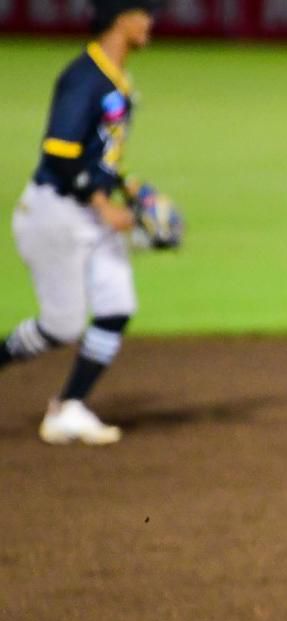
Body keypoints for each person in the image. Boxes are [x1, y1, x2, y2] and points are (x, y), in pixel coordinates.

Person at [1, 0, 161, 445]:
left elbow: (99, 153)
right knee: (61, 327)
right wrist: (102, 203)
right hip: (55, 212)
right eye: (144, 12)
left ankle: (69, 407)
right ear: (121, 18)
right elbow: (59, 151)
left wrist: (127, 188)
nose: (151, 22)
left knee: (116, 305)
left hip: (88, 212)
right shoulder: (83, 77)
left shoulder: (116, 77)